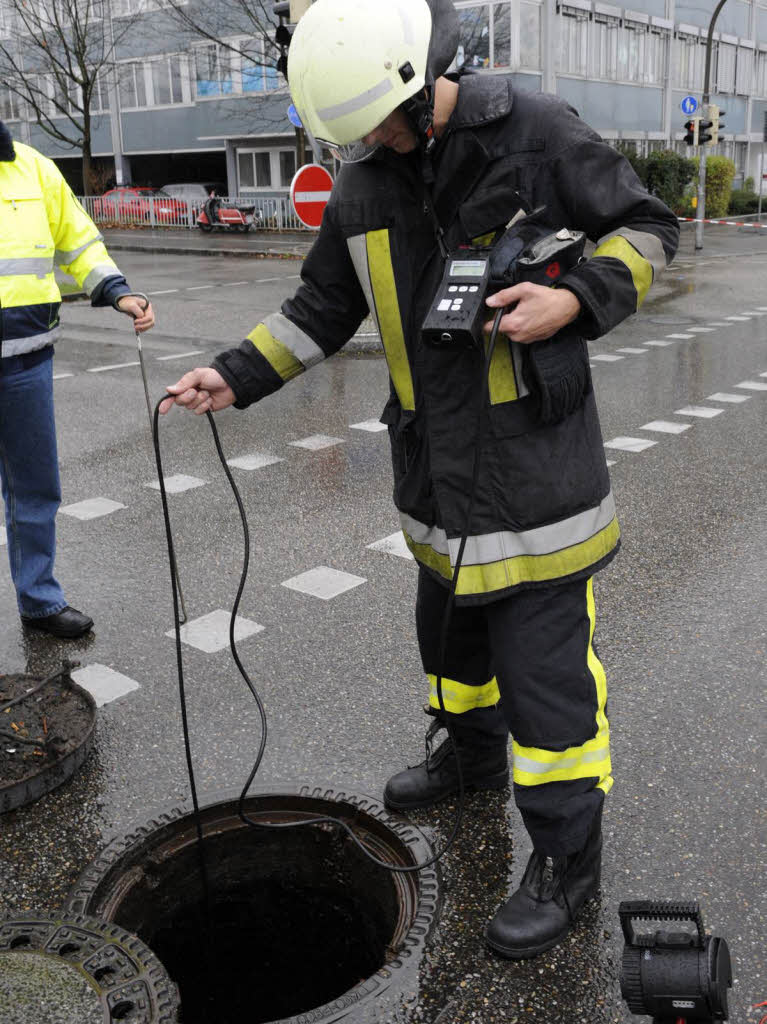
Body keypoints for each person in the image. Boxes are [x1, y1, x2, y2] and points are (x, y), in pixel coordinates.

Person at [160, 0, 679, 958]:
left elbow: (649, 229)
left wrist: (572, 297)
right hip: (435, 480)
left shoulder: (536, 130)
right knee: (448, 647)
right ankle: (471, 758)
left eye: (377, 126)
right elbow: (323, 301)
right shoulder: (365, 176)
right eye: (351, 134)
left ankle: (567, 862)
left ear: (419, 78)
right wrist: (231, 377)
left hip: (534, 483)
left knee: (550, 692)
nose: (367, 145)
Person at [0, 120, 155, 639]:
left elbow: (79, 241)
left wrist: (116, 289)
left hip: (25, 363)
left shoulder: (33, 168)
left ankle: (39, 600)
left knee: (35, 489)